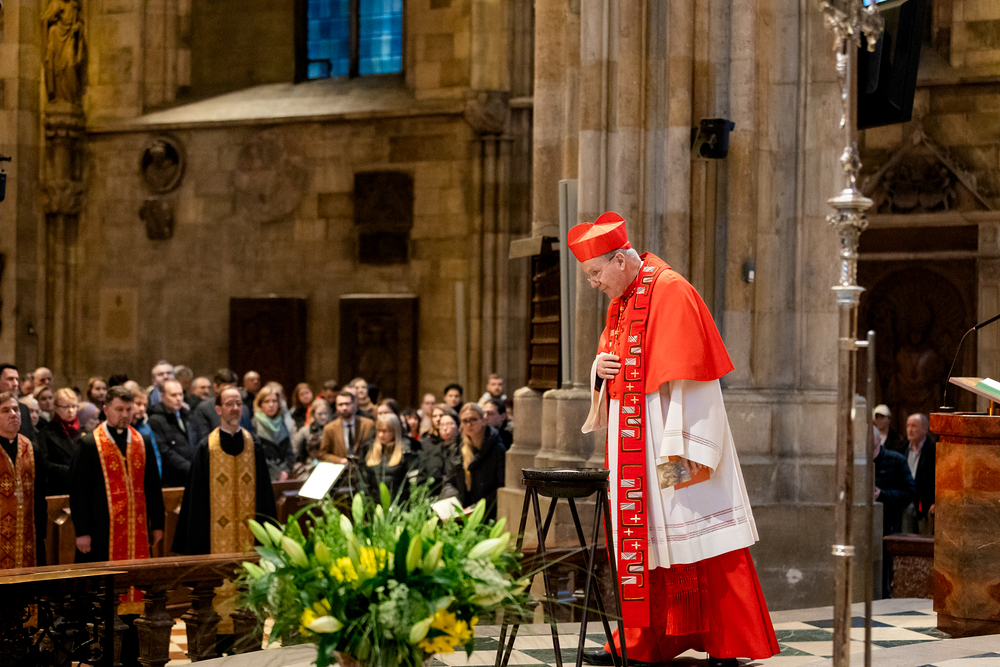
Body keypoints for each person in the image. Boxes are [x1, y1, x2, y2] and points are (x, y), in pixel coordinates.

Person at [571, 213, 778, 667]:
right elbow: (613, 361)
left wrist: (685, 458)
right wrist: (597, 371)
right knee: (646, 546)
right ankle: (643, 645)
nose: (593, 283)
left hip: (673, 445)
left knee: (703, 541)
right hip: (635, 446)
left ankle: (728, 646)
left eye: (595, 273)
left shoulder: (671, 290)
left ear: (620, 259)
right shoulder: (622, 302)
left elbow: (694, 378)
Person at [174, 386, 277, 554]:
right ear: (218, 409)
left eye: (238, 404)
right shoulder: (207, 447)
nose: (235, 408)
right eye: (229, 404)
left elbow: (265, 495)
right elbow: (196, 500)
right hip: (214, 541)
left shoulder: (254, 445)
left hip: (250, 540)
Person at [0, 392, 48, 568]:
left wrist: (41, 533)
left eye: (16, 409)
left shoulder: (32, 449)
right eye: (5, 410)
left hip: (28, 535)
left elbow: (40, 496)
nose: (13, 414)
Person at [872, 424, 915, 597]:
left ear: (877, 440)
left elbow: (909, 492)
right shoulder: (856, 461)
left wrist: (882, 494)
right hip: (862, 528)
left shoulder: (896, 460)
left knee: (884, 573)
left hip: (888, 525)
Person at [446, 403, 505, 520]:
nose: (469, 424)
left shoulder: (497, 448)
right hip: (462, 509)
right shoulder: (457, 448)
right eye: (465, 421)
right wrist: (455, 505)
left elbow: (501, 487)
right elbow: (449, 482)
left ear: (483, 420)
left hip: (488, 513)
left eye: (473, 419)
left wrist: (476, 508)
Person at [894, 413, 936, 536]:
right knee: (906, 538)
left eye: (914, 426)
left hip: (926, 503)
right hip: (906, 502)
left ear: (925, 429)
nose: (910, 430)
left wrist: (937, 501)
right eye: (908, 426)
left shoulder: (933, 449)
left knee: (924, 539)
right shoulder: (902, 449)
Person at [148, 379, 194, 487]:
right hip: (171, 480)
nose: (178, 398)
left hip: (190, 476)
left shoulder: (186, 414)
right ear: (162, 396)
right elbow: (165, 453)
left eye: (180, 394)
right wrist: (191, 468)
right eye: (173, 395)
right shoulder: (155, 420)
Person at [362, 414, 417, 500]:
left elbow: (413, 484)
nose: (381, 434)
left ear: (394, 431)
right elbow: (364, 481)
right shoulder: (371, 449)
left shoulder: (406, 450)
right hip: (374, 503)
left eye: (385, 431)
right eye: (378, 431)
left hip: (399, 503)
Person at [39, 388, 80, 495]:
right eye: (65, 407)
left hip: (81, 487)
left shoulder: (83, 432)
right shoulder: (46, 433)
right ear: (56, 408)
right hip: (58, 487)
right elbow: (44, 463)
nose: (70, 410)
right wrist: (71, 470)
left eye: (74, 406)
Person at [319, 390, 375, 464]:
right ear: (336, 406)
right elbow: (323, 454)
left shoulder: (368, 424)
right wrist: (340, 460)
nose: (344, 408)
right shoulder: (329, 428)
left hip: (364, 467)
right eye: (340, 404)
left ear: (353, 404)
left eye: (347, 404)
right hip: (342, 468)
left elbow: (374, 448)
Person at [252, 384, 294, 481]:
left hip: (284, 476)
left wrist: (284, 472)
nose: (271, 405)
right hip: (264, 476)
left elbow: (289, 453)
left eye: (274, 401)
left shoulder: (281, 422)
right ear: (260, 404)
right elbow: (256, 456)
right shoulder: (254, 424)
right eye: (267, 401)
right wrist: (277, 473)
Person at [124, 382, 163, 479]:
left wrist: (156, 477)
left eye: (145, 405)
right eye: (138, 404)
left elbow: (155, 455)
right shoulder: (122, 427)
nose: (142, 408)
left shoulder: (146, 428)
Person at [292, 398, 333, 478]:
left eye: (325, 413)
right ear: (314, 414)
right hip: (309, 470)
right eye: (320, 414)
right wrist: (303, 472)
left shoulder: (333, 430)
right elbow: (297, 456)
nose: (323, 417)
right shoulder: (305, 431)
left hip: (329, 469)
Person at [0, 364, 38, 442]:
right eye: (10, 379)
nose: (15, 384)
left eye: (16, 379)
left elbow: (31, 439)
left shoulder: (23, 408)